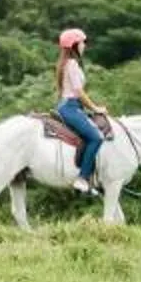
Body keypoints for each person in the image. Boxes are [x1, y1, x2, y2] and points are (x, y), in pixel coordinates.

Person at [54, 26, 105, 197]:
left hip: (69, 106)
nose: (84, 46)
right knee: (96, 137)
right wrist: (95, 108)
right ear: (74, 45)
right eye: (82, 43)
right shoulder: (73, 64)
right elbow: (79, 92)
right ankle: (82, 178)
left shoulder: (64, 64)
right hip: (71, 106)